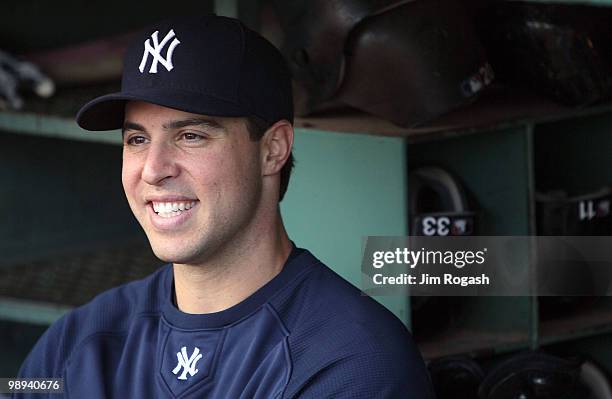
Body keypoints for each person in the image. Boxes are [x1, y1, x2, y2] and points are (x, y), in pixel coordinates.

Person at [17, 15, 434, 398]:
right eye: (137, 139)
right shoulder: (77, 341)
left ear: (273, 150)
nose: (153, 170)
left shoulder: (353, 362)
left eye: (191, 136)